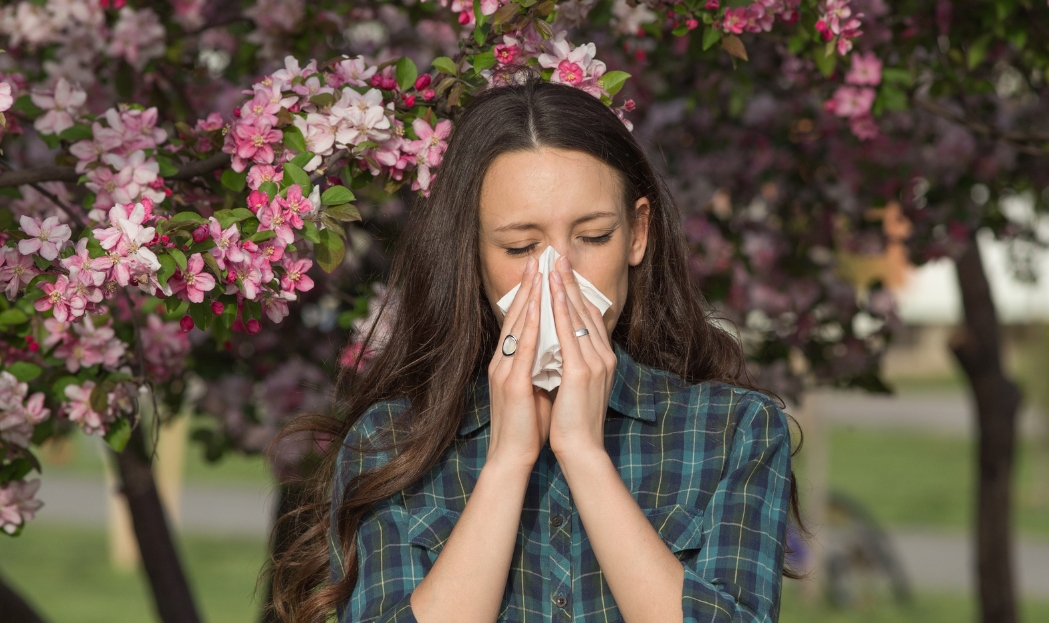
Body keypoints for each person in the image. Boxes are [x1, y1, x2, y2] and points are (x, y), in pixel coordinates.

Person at [268, 66, 801, 623]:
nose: (559, 274)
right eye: (522, 247)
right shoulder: (389, 444)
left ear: (637, 234)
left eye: (593, 236)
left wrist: (584, 455)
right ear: (473, 254)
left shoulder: (735, 430)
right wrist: (506, 462)